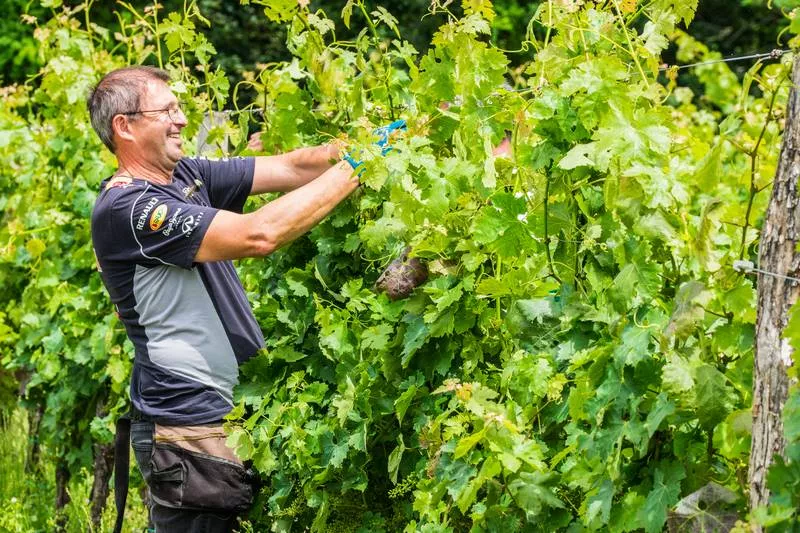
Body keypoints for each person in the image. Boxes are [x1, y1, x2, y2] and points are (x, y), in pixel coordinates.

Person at [87, 65, 374, 532]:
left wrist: (365, 144)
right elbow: (258, 234)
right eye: (168, 110)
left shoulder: (185, 177)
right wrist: (356, 170)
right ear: (125, 126)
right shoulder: (129, 210)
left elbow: (293, 167)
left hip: (230, 417)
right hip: (190, 430)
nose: (181, 120)